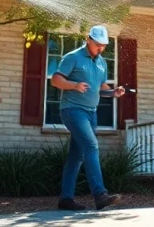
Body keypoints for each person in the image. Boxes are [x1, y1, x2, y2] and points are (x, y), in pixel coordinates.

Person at [50, 25, 125, 211]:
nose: (100, 48)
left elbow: (101, 88)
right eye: (97, 44)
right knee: (91, 146)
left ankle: (65, 199)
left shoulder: (101, 63)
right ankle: (100, 195)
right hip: (72, 110)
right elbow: (56, 80)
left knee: (77, 155)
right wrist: (74, 85)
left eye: (103, 45)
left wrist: (114, 92)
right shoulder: (73, 57)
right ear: (88, 39)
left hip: (91, 112)